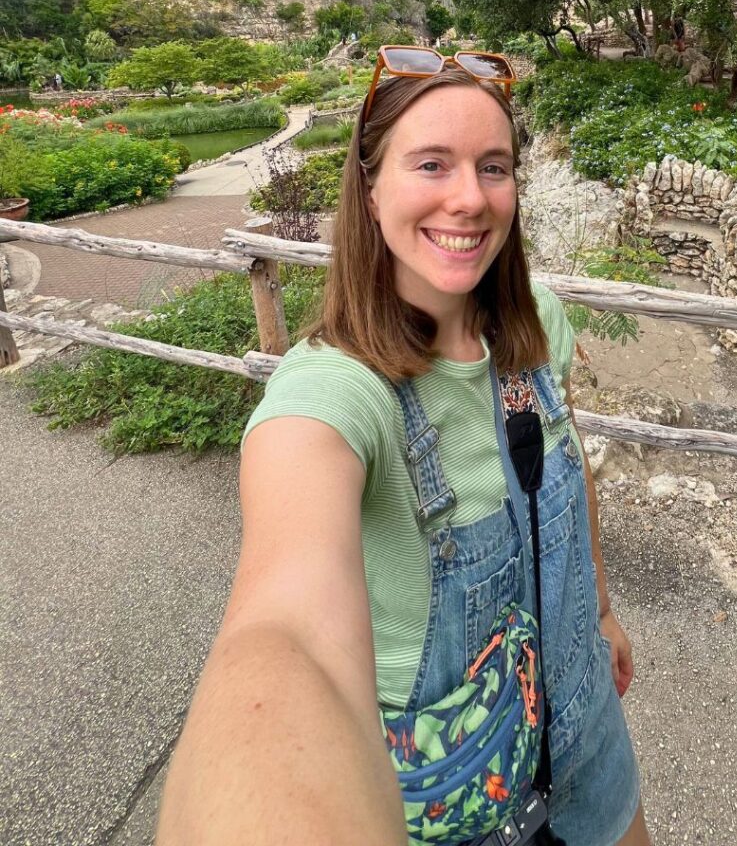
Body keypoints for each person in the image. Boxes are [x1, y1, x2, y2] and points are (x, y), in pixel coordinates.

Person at [155, 47, 651, 846]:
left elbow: (569, 468)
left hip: (585, 719)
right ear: (371, 184)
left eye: (495, 167)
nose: (470, 198)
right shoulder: (336, 392)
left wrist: (600, 610)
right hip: (452, 784)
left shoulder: (535, 322)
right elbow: (287, 634)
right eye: (432, 163)